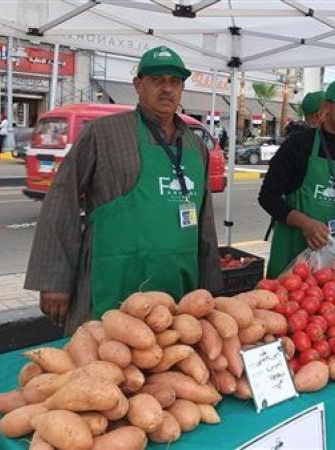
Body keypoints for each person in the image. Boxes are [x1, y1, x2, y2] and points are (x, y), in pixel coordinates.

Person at [24, 46, 222, 334]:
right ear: (138, 85)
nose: (167, 89)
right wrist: (54, 280)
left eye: (175, 81)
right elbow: (60, 200)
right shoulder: (104, 133)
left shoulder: (196, 147)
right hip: (114, 282)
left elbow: (205, 222)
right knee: (103, 362)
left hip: (179, 290)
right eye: (157, 80)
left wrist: (211, 286)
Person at [259, 78, 335, 278]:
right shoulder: (297, 146)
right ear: (326, 107)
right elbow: (268, 197)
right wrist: (305, 223)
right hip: (293, 257)